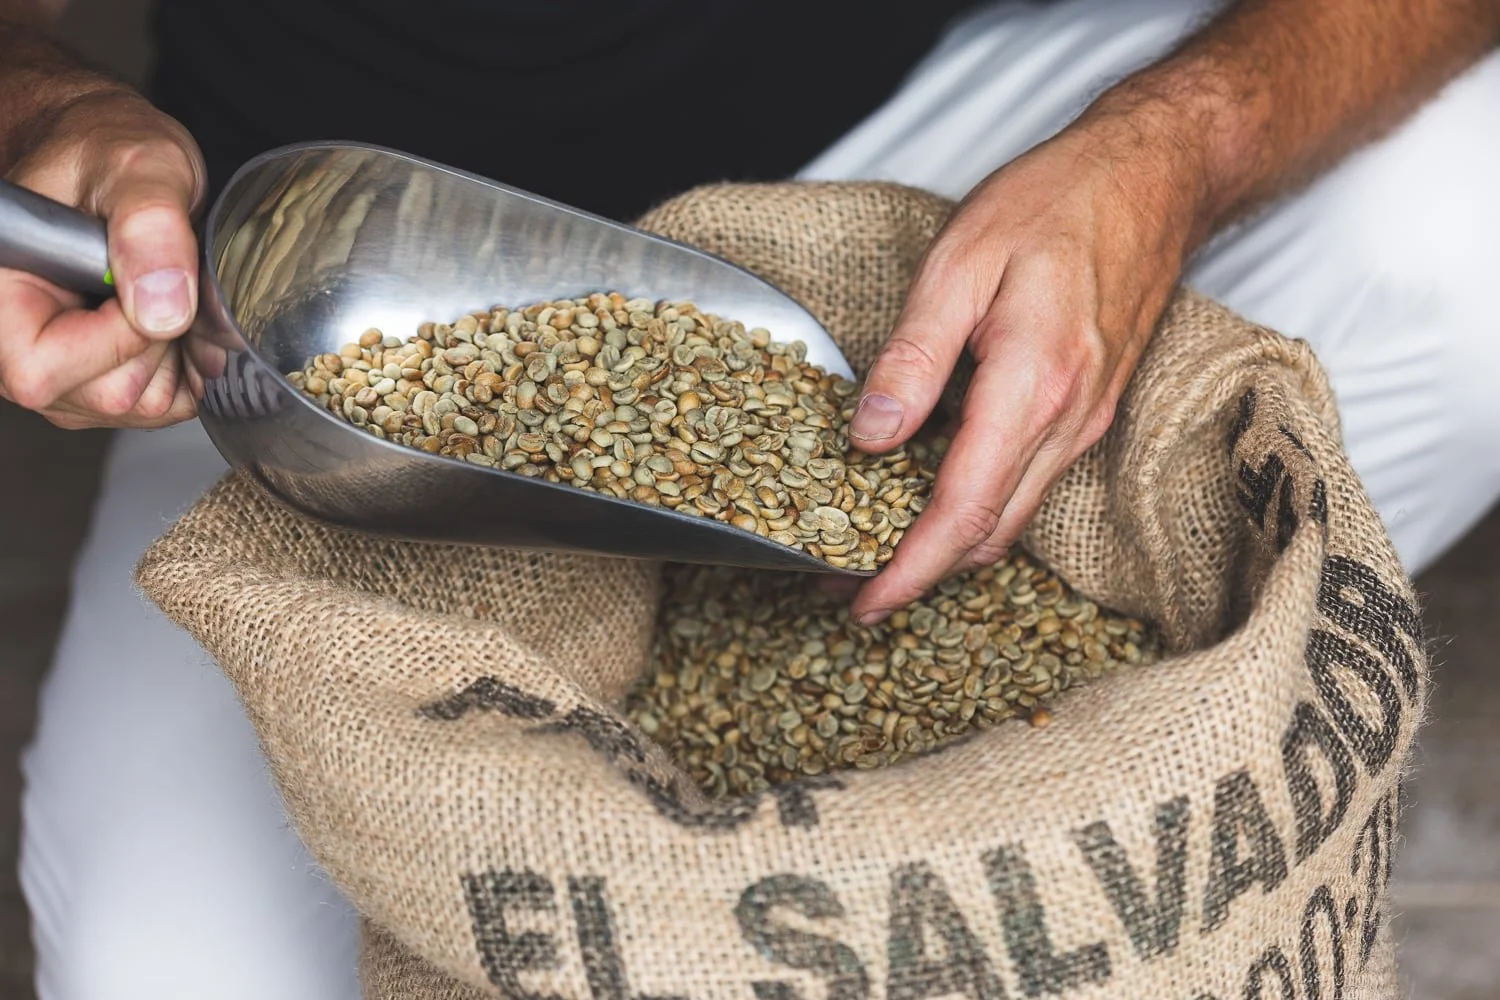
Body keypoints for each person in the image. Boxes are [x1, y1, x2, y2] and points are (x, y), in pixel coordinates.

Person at [1, 0, 1496, 995]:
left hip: (971, 133)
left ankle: (1154, 674)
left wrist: (1174, 150)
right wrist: (41, 105)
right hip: (312, 308)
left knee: (1467, 240)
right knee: (161, 961)